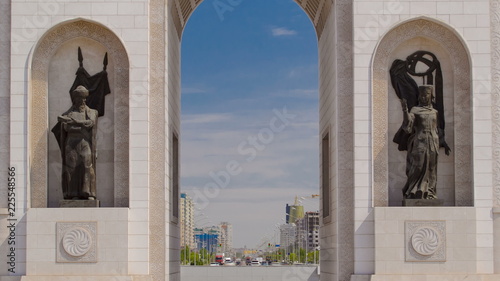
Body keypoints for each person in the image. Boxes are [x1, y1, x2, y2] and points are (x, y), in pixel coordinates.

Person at [400, 85, 451, 199]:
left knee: (431, 168)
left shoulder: (435, 112)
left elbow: (437, 130)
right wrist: (405, 111)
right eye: (422, 95)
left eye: (426, 94)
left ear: (430, 96)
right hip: (420, 142)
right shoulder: (415, 110)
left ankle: (430, 193)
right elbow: (407, 126)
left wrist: (444, 144)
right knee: (418, 166)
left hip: (433, 142)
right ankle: (412, 192)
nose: (424, 97)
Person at [54, 85, 98, 200]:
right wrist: (78, 125)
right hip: (71, 143)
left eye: (84, 98)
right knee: (71, 167)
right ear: (75, 100)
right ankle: (73, 194)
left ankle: (87, 193)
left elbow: (90, 123)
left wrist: (75, 123)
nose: (82, 101)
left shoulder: (92, 112)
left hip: (85, 142)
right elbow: (67, 128)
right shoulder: (69, 114)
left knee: (86, 164)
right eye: (79, 99)